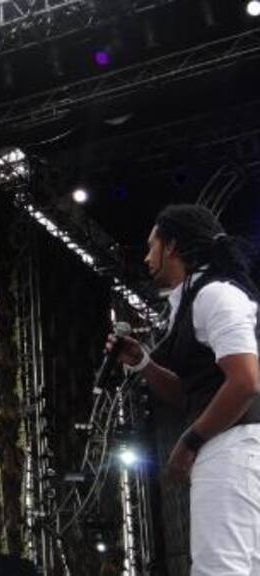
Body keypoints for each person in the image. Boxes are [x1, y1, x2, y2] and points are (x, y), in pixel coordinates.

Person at [108, 204, 260, 576]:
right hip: (237, 447)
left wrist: (190, 441)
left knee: (219, 567)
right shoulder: (196, 300)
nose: (147, 258)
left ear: (172, 246)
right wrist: (144, 364)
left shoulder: (214, 295)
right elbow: (193, 394)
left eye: (152, 246)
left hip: (235, 448)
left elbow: (245, 382)